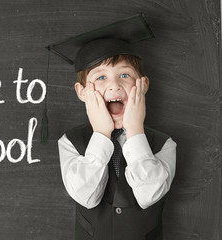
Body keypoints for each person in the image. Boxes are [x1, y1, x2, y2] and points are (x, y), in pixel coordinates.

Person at [47, 13, 176, 240]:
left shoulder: (164, 144)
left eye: (124, 75)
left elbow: (149, 195)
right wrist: (101, 134)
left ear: (142, 85)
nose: (114, 85)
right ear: (82, 92)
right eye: (100, 78)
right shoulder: (70, 142)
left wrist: (135, 129)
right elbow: (86, 196)